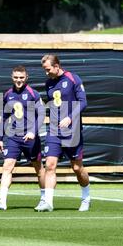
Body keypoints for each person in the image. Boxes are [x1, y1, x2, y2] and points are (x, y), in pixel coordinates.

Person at [36, 54, 91, 212]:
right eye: (44, 70)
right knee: (50, 166)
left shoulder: (73, 78)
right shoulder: (48, 84)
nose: (46, 73)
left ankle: (86, 197)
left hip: (72, 131)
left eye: (48, 69)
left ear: (56, 66)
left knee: (76, 168)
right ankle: (48, 202)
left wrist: (70, 118)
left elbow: (83, 102)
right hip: (54, 130)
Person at [0, 65, 46, 210]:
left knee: (39, 169)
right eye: (16, 78)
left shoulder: (33, 94)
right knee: (7, 167)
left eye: (21, 78)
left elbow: (42, 114)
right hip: (13, 137)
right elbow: (4, 117)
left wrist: (33, 131)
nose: (18, 80)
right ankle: (2, 201)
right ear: (12, 78)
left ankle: (45, 199)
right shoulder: (8, 94)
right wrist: (0, 138)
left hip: (31, 139)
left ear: (27, 78)